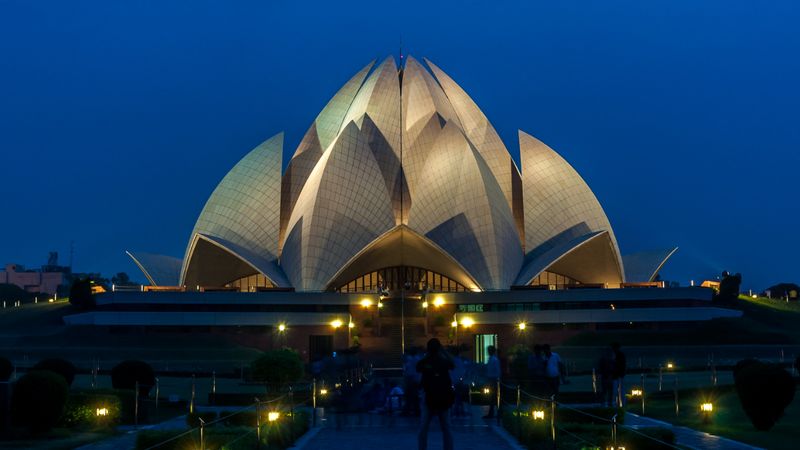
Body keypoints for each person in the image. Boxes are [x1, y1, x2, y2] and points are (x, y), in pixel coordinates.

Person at [416, 338, 455, 450]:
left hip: (429, 397)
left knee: (423, 428)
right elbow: (452, 364)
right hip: (443, 397)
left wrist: (427, 355)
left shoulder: (426, 362)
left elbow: (418, 367)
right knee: (446, 428)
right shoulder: (443, 362)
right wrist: (444, 351)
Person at [483, 345, 501, 418]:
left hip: (493, 379)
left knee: (493, 397)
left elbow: (497, 371)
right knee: (491, 397)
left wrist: (497, 379)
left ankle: (494, 413)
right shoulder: (491, 359)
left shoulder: (494, 360)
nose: (488, 352)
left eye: (489, 350)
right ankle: (492, 413)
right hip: (490, 379)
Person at [611, 342, 627, 407]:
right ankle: (619, 404)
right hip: (617, 375)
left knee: (618, 390)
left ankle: (620, 404)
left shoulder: (619, 355)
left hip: (618, 375)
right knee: (618, 391)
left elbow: (622, 365)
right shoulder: (619, 355)